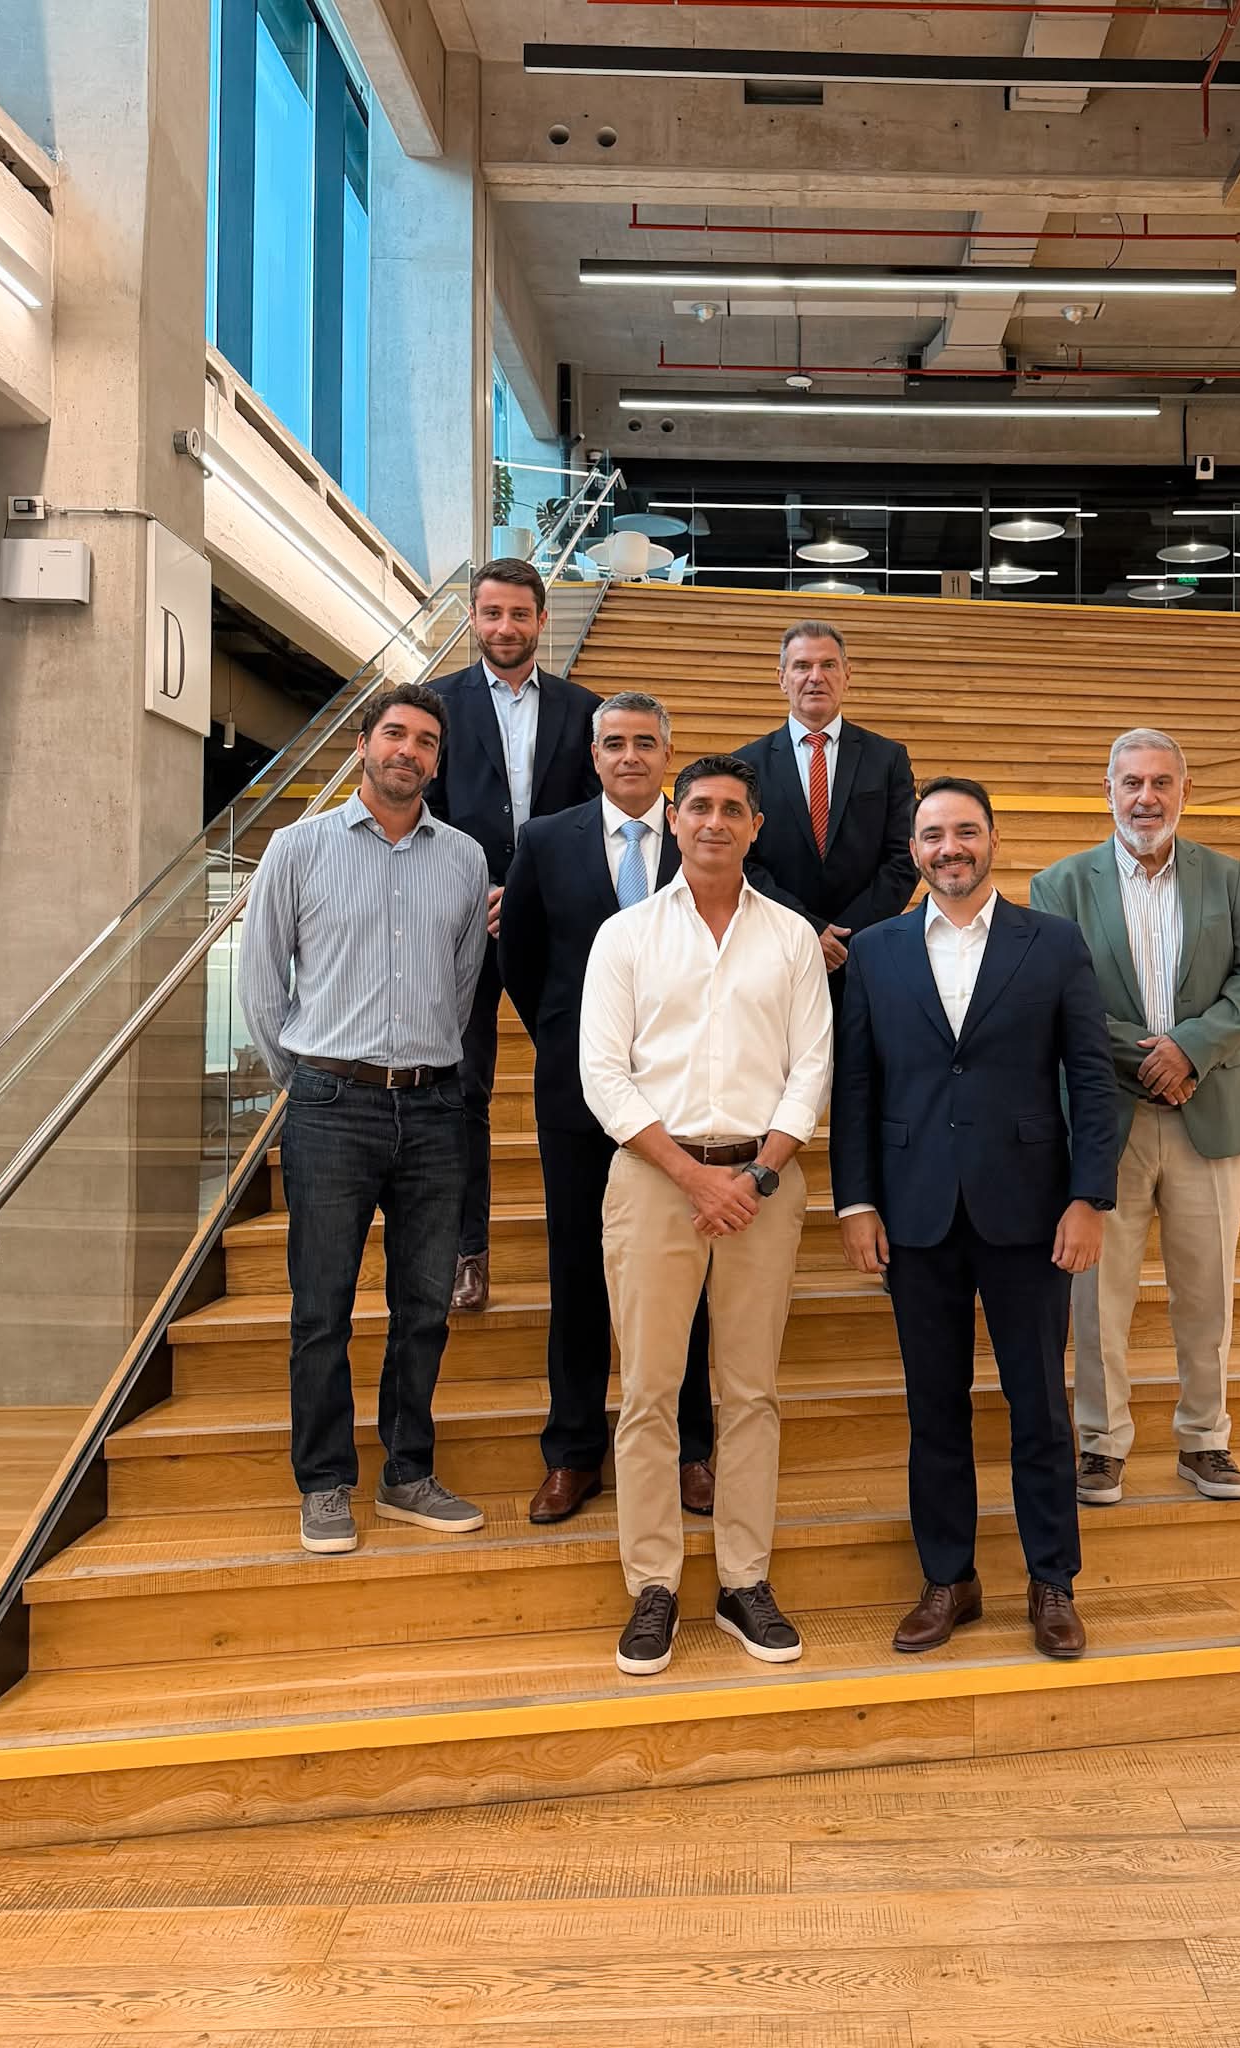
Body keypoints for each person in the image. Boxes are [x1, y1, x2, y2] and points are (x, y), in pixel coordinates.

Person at [831, 777, 1117, 1661]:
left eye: (964, 831)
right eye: (932, 835)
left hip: (1031, 1212)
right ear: (914, 850)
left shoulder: (1053, 942)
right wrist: (856, 1201)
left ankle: (1052, 1581)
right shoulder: (876, 951)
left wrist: (1089, 1197)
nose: (949, 848)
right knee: (934, 1409)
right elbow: (856, 1085)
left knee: (1040, 1410)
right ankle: (948, 1578)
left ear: (993, 840)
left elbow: (1092, 1077)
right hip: (914, 1214)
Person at [580, 755, 833, 1677]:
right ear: (674, 820)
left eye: (733, 809)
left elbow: (812, 1067)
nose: (715, 821)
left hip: (763, 1184)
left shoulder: (792, 937)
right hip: (657, 1181)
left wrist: (756, 1175)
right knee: (650, 1391)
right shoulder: (626, 935)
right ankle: (653, 1585)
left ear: (757, 827)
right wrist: (693, 1177)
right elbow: (603, 1074)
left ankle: (742, 1581)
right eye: (699, 807)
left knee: (751, 1392)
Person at [238, 684, 489, 1557]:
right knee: (322, 1307)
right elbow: (261, 986)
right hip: (330, 1105)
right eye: (394, 734)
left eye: (425, 741)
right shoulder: (297, 847)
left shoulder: (464, 858)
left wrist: (423, 1065)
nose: (408, 751)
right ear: (362, 744)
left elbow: (462, 985)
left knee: (424, 1306)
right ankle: (324, 1482)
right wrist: (309, 1079)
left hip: (433, 1106)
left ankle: (407, 1473)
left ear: (437, 761)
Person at [1031, 728, 1240, 1507]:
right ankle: (1101, 1443)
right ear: (1108, 791)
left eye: (1161, 782)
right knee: (1099, 1295)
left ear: (1184, 791)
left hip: (1207, 1110)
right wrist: (1151, 1059)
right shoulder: (1059, 885)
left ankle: (1204, 1439)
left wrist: (1191, 1049)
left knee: (1207, 1293)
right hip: (1107, 1118)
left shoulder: (1225, 877)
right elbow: (1058, 998)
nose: (1147, 798)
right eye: (1132, 782)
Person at [498, 691, 716, 1525]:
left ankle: (690, 1448)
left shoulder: (699, 838)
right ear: (593, 756)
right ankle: (574, 1452)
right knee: (578, 1272)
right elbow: (522, 960)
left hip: (681, 1096)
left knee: (683, 1277)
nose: (630, 756)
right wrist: (572, 1041)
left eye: (646, 743)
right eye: (615, 742)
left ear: (668, 755)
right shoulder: (545, 840)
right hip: (575, 1096)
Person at [429, 557, 602, 1314]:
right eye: (492, 613)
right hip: (464, 920)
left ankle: (600, 1236)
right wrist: (479, 888)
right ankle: (467, 1250)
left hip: (559, 927)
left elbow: (598, 819)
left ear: (542, 621)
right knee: (465, 1087)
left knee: (584, 1077)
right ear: (473, 618)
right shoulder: (436, 704)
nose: (505, 627)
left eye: (519, 614)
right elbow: (426, 810)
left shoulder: (584, 709)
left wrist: (534, 892)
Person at [735, 619, 917, 987]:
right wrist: (807, 928)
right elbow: (743, 862)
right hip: (776, 949)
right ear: (782, 678)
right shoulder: (745, 765)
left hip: (863, 953)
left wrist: (846, 935)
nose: (815, 677)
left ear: (847, 675)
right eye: (802, 666)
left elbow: (904, 857)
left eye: (828, 665)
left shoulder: (888, 759)